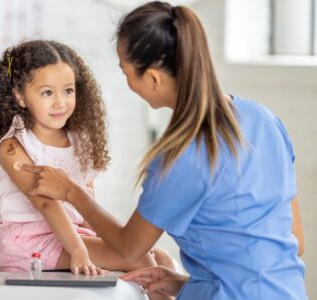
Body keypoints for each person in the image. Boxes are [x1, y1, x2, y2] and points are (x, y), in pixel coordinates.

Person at [18, 2, 307, 299]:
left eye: (126, 72)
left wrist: (71, 191)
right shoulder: (264, 119)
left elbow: (129, 246)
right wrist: (190, 284)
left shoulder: (180, 156)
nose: (128, 82)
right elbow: (293, 241)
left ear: (154, 78)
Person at [0, 39, 171, 300]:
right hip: (25, 239)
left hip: (69, 235)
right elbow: (46, 205)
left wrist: (107, 242)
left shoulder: (79, 142)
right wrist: (78, 251)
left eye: (68, 91)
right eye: (47, 93)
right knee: (140, 258)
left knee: (159, 256)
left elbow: (87, 205)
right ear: (20, 96)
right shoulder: (13, 147)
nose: (60, 102)